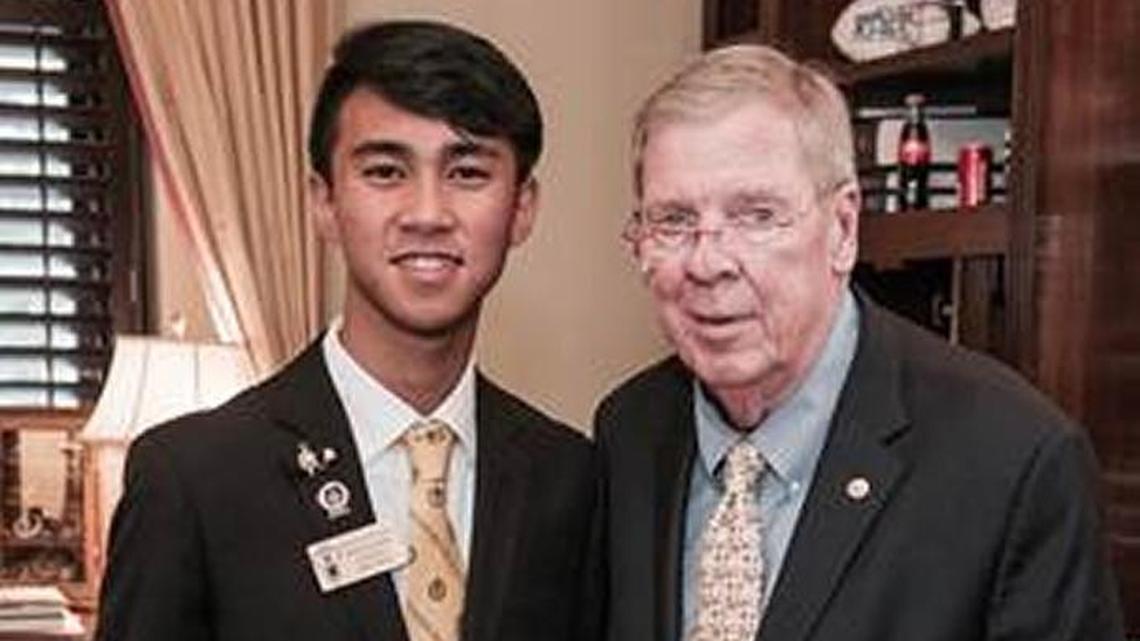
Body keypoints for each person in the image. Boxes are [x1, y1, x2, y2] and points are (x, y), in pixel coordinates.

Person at [595, 44, 1124, 641]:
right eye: (673, 221)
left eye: (756, 215)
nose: (708, 262)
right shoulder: (629, 433)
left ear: (843, 228)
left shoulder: (1016, 461)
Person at [95, 20, 598, 641]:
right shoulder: (192, 479)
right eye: (385, 172)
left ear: (521, 208)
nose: (427, 214)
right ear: (324, 203)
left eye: (467, 173)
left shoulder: (568, 479)